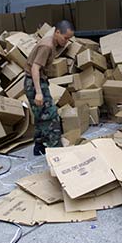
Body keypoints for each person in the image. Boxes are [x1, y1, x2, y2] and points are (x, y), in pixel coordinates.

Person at [24, 20, 75, 155]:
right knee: (51, 115)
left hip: (38, 81)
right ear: (57, 32)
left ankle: (39, 146)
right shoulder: (47, 46)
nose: (67, 41)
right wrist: (39, 92)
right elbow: (35, 68)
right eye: (66, 38)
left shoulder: (52, 41)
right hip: (35, 83)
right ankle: (56, 151)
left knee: (41, 115)